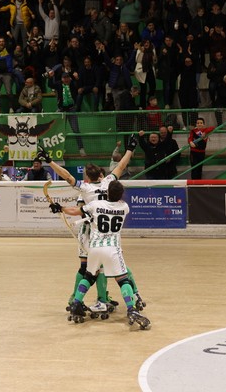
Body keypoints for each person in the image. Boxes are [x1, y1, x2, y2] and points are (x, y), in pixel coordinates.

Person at [37, 136, 145, 314]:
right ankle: (123, 296)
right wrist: (130, 150)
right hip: (108, 231)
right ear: (101, 175)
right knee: (112, 266)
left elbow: (67, 176)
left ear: (87, 177)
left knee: (89, 268)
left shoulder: (85, 188)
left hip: (90, 229)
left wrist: (50, 161)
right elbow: (121, 166)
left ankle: (84, 299)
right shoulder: (109, 182)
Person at [54, 180, 151, 330]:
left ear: (107, 192)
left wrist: (59, 208)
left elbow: (75, 211)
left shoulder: (96, 205)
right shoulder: (125, 207)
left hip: (95, 248)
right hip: (112, 248)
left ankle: (76, 302)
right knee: (123, 280)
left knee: (89, 276)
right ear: (121, 194)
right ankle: (131, 309)